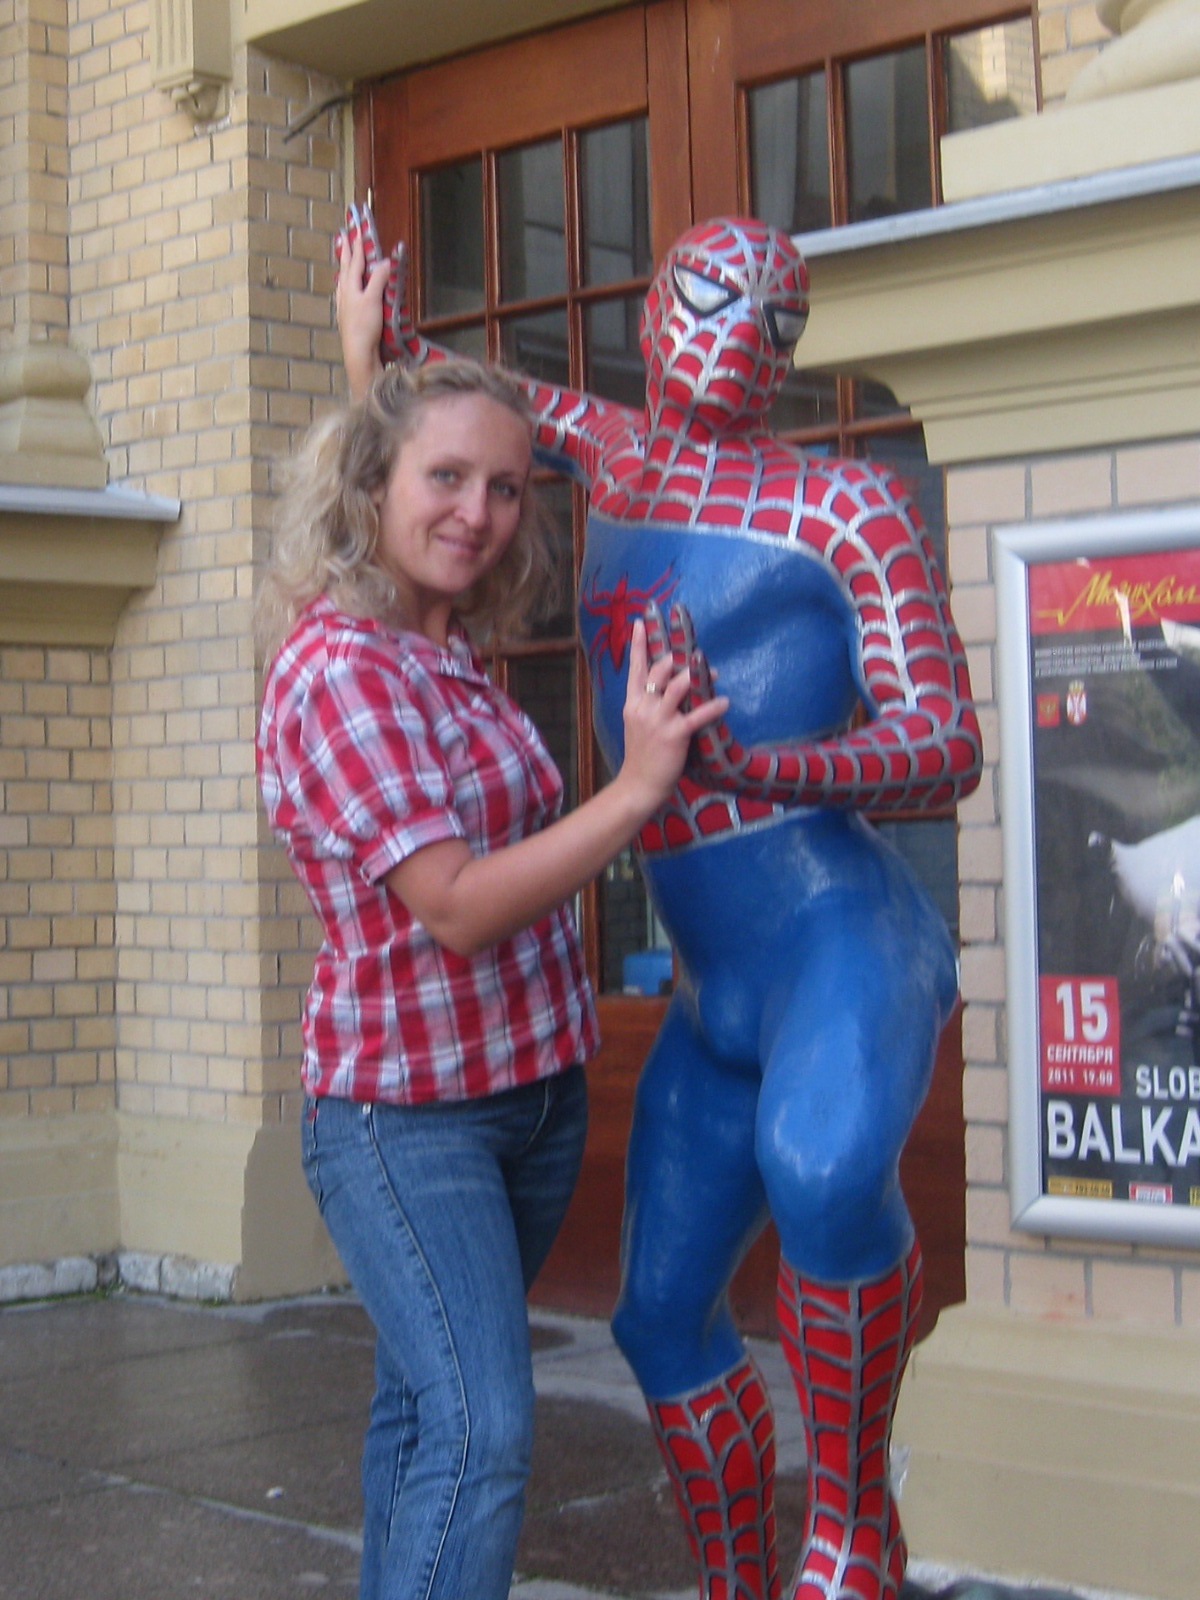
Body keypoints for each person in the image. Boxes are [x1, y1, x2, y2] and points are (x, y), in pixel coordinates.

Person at [335, 207, 983, 1600]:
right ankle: (738, 1579)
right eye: (708, 297)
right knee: (659, 1309)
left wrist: (770, 765)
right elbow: (447, 424)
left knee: (823, 1170)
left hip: (836, 930)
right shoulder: (612, 452)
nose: (738, 338)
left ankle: (852, 1530)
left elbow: (945, 743)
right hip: (707, 973)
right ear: (651, 313)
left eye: (775, 317)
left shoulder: (847, 507)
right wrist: (372, 332)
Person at [254, 356, 728, 1600]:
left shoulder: (438, 643)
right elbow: (456, 906)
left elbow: (405, 427)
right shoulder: (341, 667)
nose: (479, 512)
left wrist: (368, 350)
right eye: (448, 478)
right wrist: (636, 788)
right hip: (408, 1120)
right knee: (481, 1431)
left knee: (426, 1411)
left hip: (533, 1092)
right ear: (374, 482)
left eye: (508, 488)